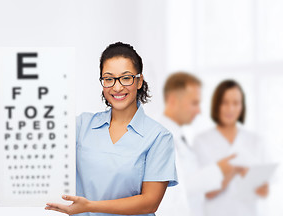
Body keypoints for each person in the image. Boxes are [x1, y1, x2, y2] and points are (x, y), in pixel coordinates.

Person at [45, 42, 178, 216]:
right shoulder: (81, 126)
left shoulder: (159, 137)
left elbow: (149, 203)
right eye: (108, 79)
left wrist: (90, 206)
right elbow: (43, 137)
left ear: (139, 81)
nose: (117, 87)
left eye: (126, 77)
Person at [156, 72, 236, 216]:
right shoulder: (159, 138)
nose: (199, 110)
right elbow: (173, 190)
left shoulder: (180, 137)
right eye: (194, 103)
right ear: (173, 101)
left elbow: (192, 184)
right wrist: (218, 170)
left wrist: (222, 177)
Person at [193, 79, 270, 216]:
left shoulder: (255, 141)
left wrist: (256, 182)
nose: (230, 109)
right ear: (216, 105)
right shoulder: (201, 141)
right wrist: (234, 171)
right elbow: (206, 192)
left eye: (236, 103)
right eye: (225, 103)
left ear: (242, 106)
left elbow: (264, 192)